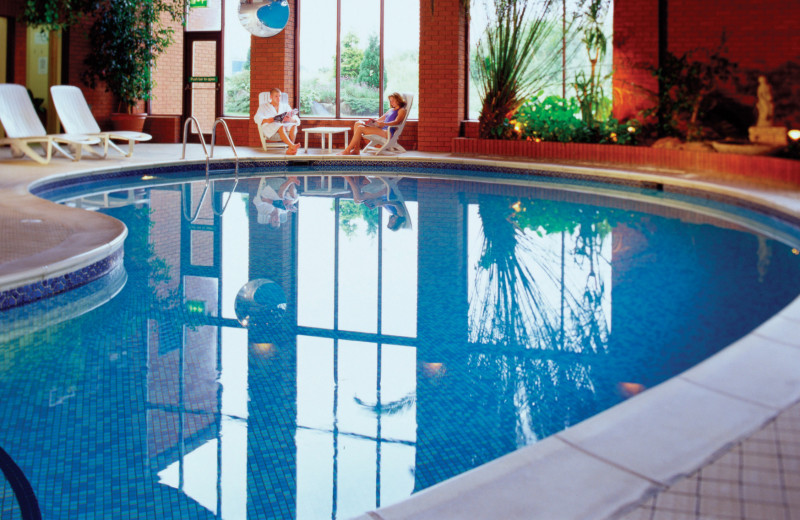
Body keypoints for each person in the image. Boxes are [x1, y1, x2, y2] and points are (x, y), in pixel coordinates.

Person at [338, 93, 407, 155]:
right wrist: (373, 122)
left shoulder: (401, 110)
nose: (391, 102)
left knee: (360, 128)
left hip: (387, 132)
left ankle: (347, 150)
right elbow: (380, 119)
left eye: (393, 100)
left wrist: (384, 124)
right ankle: (356, 150)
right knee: (358, 123)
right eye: (390, 100)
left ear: (398, 100)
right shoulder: (390, 110)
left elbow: (396, 122)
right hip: (381, 129)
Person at [344, 176, 411, 231]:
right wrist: (381, 203)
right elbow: (397, 203)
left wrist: (375, 204)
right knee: (359, 198)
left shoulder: (391, 212)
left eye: (389, 222)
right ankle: (347, 177)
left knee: (357, 201)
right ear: (397, 223)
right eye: (392, 223)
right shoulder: (401, 215)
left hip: (381, 194)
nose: (391, 221)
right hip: (386, 191)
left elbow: (381, 202)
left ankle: (355, 178)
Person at [254, 88, 301, 155]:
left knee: (293, 125)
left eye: (279, 96)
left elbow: (295, 118)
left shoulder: (285, 106)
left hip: (283, 125)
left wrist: (291, 119)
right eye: (276, 96)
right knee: (280, 126)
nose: (278, 98)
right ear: (271, 97)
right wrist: (267, 120)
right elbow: (257, 117)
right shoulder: (263, 106)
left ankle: (290, 149)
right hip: (270, 126)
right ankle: (292, 146)